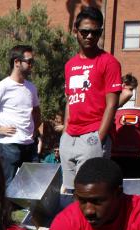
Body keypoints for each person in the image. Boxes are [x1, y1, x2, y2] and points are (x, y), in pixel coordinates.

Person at [59, 6, 122, 190]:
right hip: (70, 137)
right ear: (75, 31)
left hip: (93, 135)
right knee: (70, 191)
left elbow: (112, 105)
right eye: (85, 31)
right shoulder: (70, 65)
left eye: (95, 32)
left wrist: (99, 137)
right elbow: (70, 101)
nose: (89, 36)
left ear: (100, 32)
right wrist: (64, 133)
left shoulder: (109, 62)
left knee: (92, 192)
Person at [0, 44, 41, 185]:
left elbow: (36, 111)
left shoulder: (31, 87)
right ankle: (5, 208)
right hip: (8, 145)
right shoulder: (2, 86)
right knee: (7, 186)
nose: (31, 65)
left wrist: (35, 129)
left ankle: (25, 208)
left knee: (32, 185)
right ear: (17, 62)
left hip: (29, 144)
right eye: (29, 61)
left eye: (32, 62)